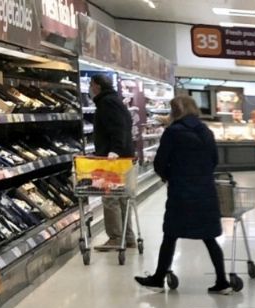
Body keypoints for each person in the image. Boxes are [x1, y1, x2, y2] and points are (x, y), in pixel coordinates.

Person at [135, 96, 232, 295]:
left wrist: (170, 176)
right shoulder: (206, 131)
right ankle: (222, 281)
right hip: (205, 190)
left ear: (175, 111)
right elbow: (214, 160)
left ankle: (158, 278)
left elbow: (160, 162)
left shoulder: (173, 132)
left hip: (181, 191)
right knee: (209, 236)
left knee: (171, 234)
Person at [90, 74, 137, 252]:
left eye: (91, 85)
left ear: (97, 86)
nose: (90, 88)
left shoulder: (107, 102)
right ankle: (128, 237)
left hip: (112, 160)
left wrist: (114, 151)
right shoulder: (114, 100)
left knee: (110, 199)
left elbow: (119, 127)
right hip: (122, 158)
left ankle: (116, 237)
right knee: (123, 198)